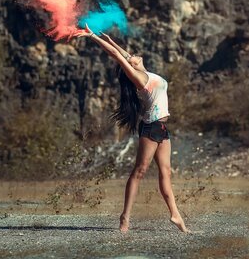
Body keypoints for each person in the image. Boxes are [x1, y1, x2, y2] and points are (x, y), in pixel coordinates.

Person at [75, 24, 189, 233]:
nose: (133, 55)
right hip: (151, 127)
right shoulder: (140, 78)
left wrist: (110, 39)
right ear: (131, 67)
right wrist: (92, 36)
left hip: (162, 128)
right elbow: (117, 56)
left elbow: (123, 54)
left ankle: (175, 215)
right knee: (139, 171)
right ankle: (125, 217)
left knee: (166, 172)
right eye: (132, 57)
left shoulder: (145, 73)